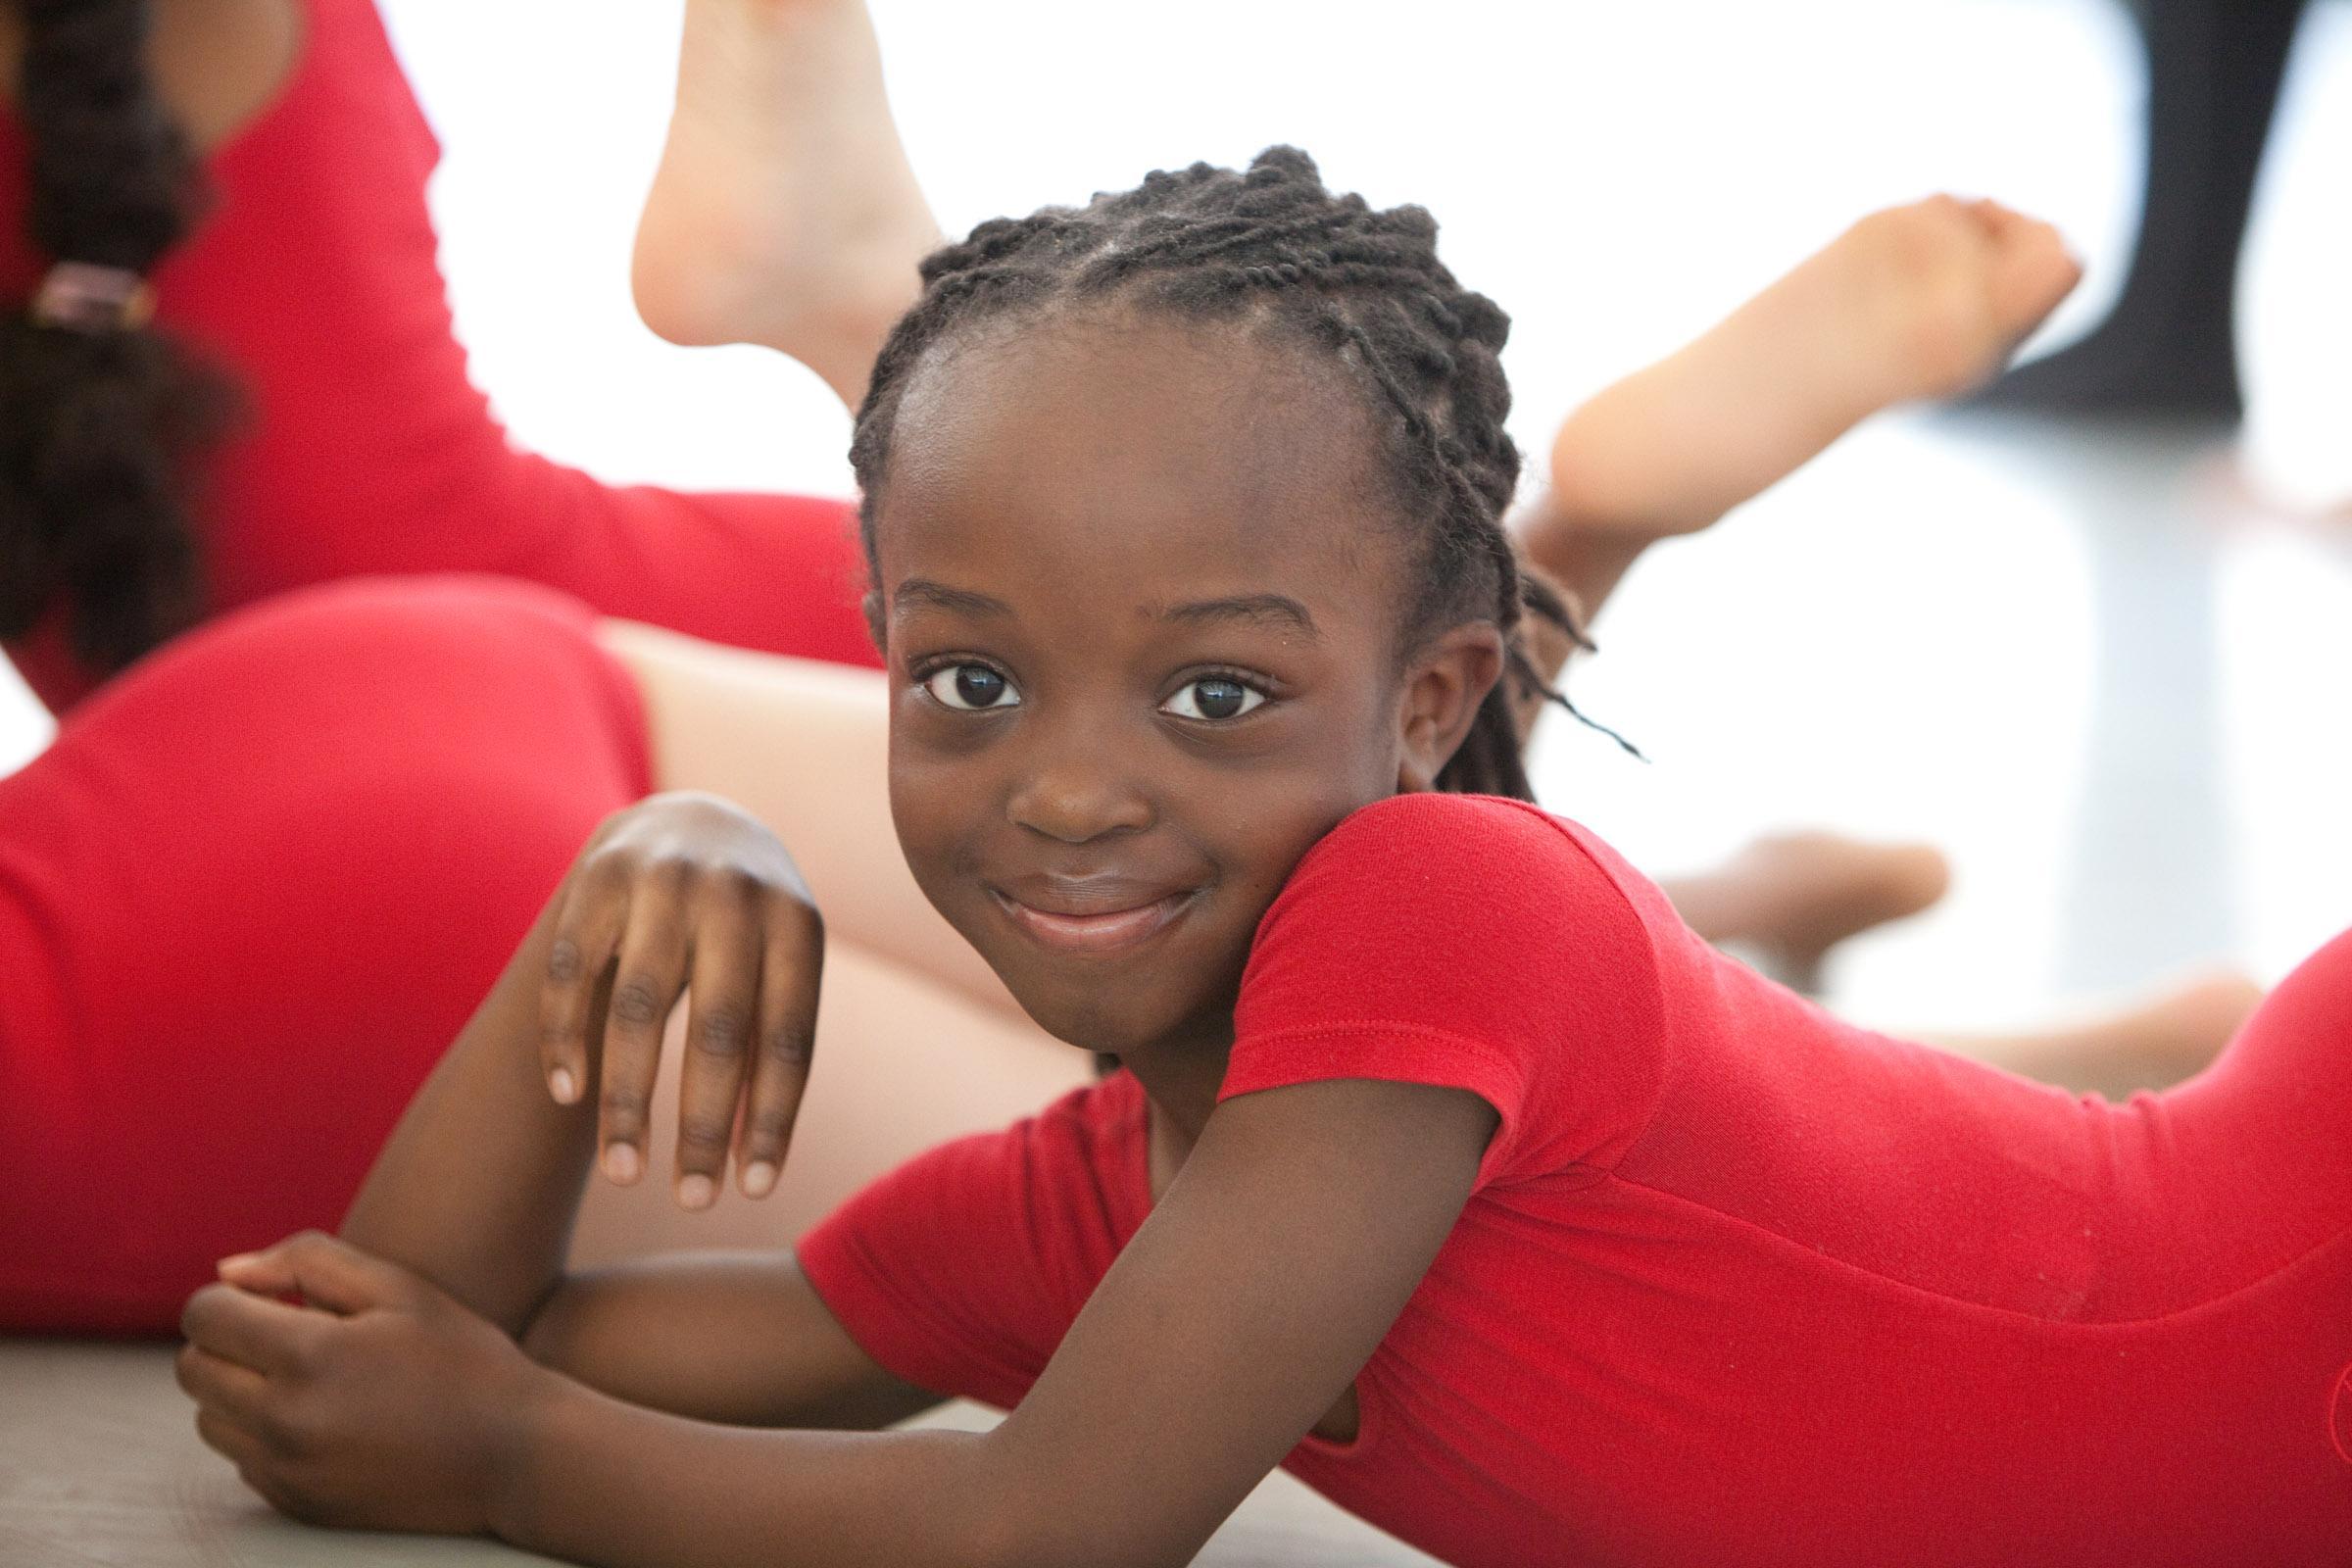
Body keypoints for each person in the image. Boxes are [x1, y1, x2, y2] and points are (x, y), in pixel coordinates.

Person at [172, 150, 2352, 1565]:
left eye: (1212, 694)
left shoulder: (1451, 904)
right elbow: (418, 1336)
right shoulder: (1097, 1210)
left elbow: (1059, 1529)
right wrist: (620, 891)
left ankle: (1596, 523)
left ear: (1427, 705)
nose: (1064, 792)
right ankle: (1600, 516)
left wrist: (509, 1461)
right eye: (967, 683)